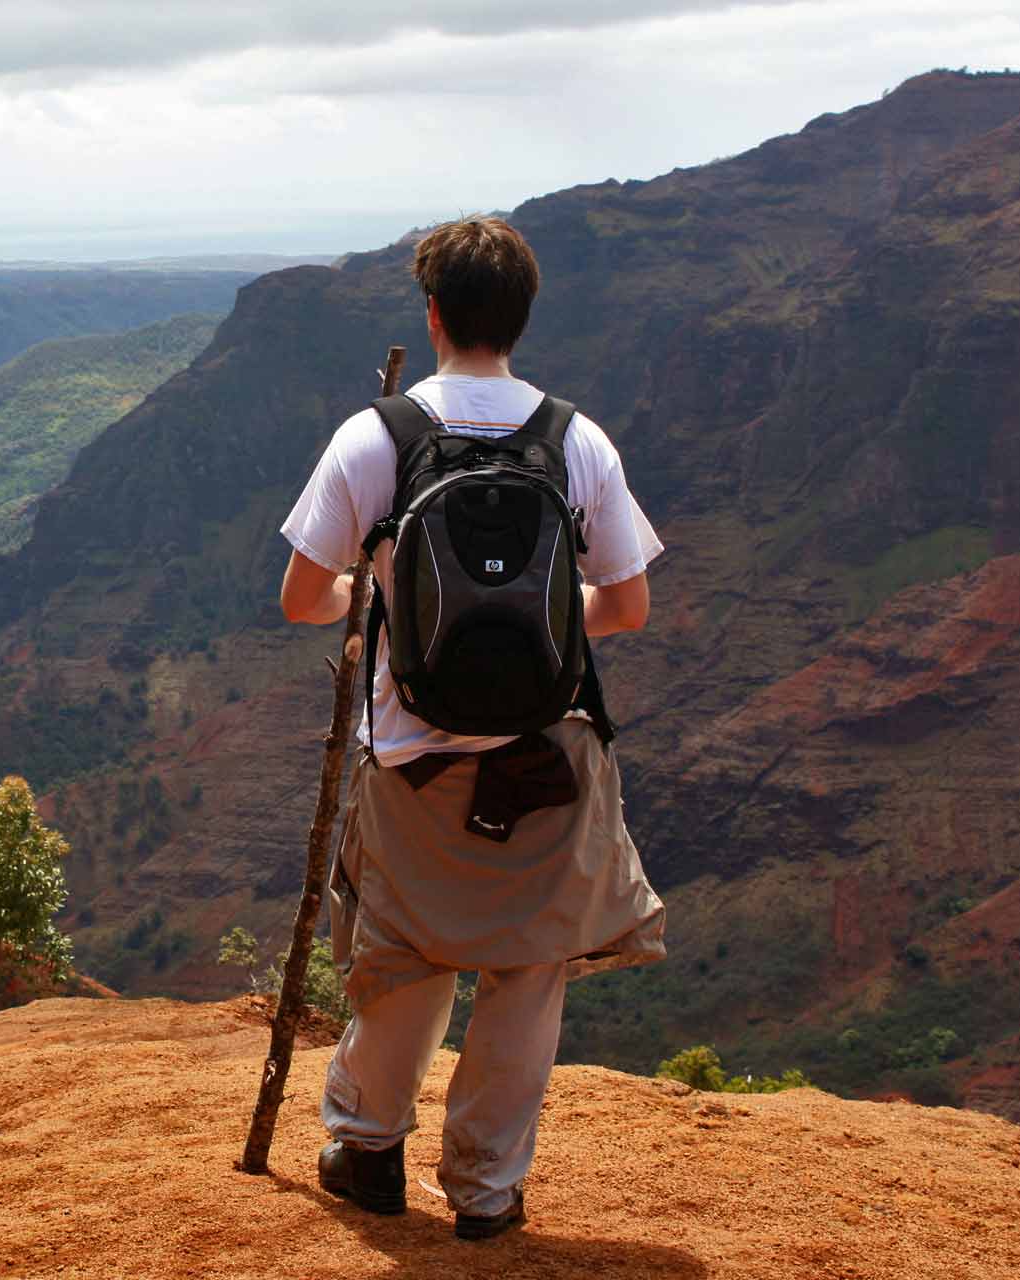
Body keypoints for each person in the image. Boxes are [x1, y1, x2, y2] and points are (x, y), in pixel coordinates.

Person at [276, 216, 667, 1241]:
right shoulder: (578, 441)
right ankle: (488, 1190)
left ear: (434, 315)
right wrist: (544, 621)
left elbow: (301, 597)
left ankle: (367, 1150)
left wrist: (381, 606)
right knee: (527, 970)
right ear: (522, 318)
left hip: (412, 759)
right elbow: (626, 607)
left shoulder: (377, 437)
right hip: (546, 758)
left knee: (404, 955)